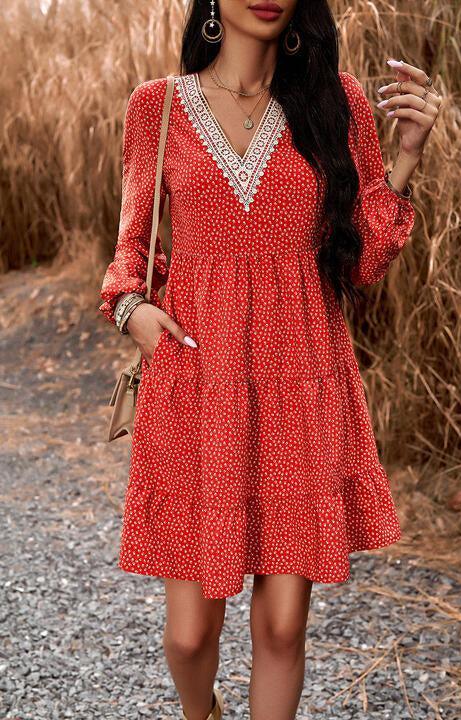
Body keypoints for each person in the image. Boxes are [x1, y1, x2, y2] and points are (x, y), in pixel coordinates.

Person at [98, 1, 441, 718]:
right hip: (197, 382)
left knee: (283, 625)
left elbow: (365, 260)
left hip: (301, 380)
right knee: (189, 638)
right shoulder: (156, 108)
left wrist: (407, 152)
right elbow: (132, 247)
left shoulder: (335, 101)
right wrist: (134, 311)